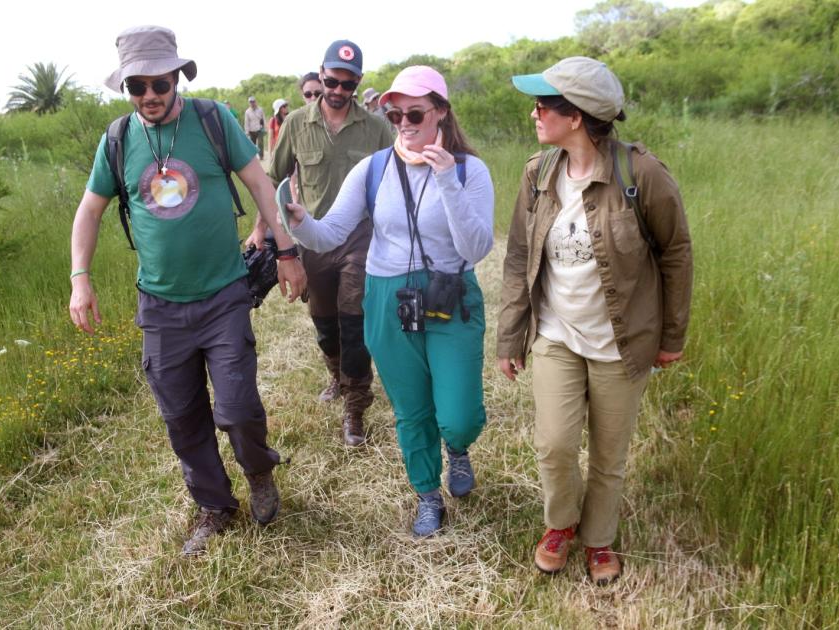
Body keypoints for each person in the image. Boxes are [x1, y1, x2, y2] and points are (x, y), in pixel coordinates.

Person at [68, 25, 306, 556]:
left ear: (177, 76)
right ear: (127, 88)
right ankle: (214, 506)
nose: (149, 96)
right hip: (159, 304)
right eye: (137, 87)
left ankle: (259, 472)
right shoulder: (118, 139)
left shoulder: (213, 120)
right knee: (182, 415)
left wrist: (286, 251)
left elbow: (260, 183)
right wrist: (79, 277)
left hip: (223, 293)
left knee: (238, 407)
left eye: (159, 83)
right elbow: (89, 210)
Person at [496, 57, 693, 584]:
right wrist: (510, 336)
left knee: (609, 453)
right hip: (557, 335)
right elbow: (519, 257)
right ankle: (561, 523)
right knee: (555, 444)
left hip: (622, 341)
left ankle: (599, 538)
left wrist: (671, 336)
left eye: (545, 103)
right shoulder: (538, 173)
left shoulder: (640, 174)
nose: (535, 112)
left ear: (577, 115)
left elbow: (676, 253)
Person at [282, 66, 494, 537]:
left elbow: (477, 248)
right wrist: (297, 220)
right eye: (394, 113)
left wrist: (445, 181)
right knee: (411, 409)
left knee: (457, 416)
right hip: (388, 297)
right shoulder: (374, 168)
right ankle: (427, 495)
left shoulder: (467, 170)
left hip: (450, 295)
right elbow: (332, 231)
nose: (402, 122)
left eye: (414, 112)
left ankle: (457, 448)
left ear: (440, 111)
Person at [258, 40, 394, 447]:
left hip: (360, 240)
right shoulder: (297, 123)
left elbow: (394, 183)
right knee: (325, 323)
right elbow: (270, 179)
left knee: (354, 322)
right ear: (321, 74)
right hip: (313, 240)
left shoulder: (376, 128)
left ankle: (355, 407)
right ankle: (335, 374)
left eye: (347, 83)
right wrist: (263, 229)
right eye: (331, 80)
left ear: (358, 83)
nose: (337, 90)